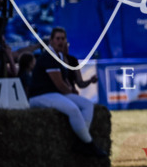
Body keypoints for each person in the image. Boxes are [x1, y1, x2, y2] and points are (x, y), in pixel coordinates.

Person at [27, 27, 107, 158]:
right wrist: (71, 93)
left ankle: (81, 141)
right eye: (57, 39)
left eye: (63, 39)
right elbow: (60, 85)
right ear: (51, 41)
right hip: (40, 95)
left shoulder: (59, 57)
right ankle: (89, 145)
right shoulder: (49, 57)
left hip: (54, 94)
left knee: (87, 105)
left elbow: (65, 84)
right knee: (73, 109)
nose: (60, 41)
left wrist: (71, 92)